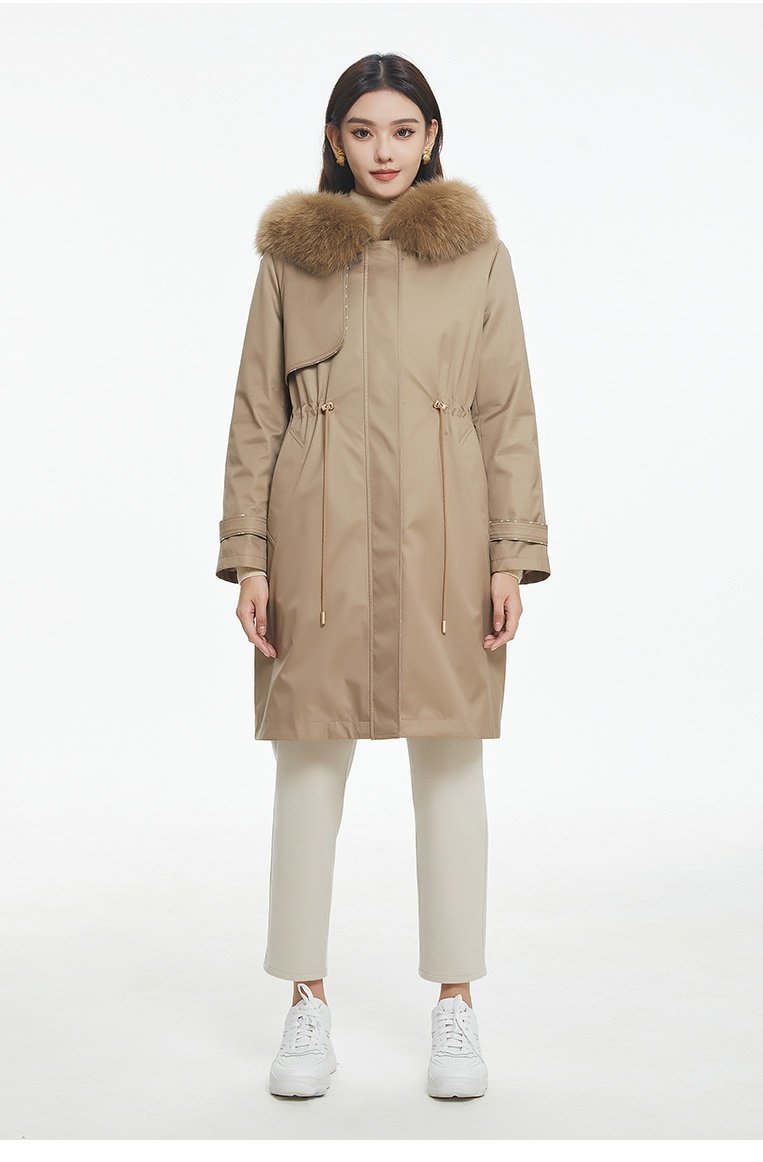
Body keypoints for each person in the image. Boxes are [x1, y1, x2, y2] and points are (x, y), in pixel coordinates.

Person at [215, 53, 551, 1100]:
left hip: (445, 539)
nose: (384, 151)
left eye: (403, 130)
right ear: (335, 140)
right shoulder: (291, 259)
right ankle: (305, 1001)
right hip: (316, 543)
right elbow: (256, 414)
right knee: (309, 765)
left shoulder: (479, 256)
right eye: (363, 131)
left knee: (451, 765)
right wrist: (249, 556)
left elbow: (505, 412)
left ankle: (456, 1004)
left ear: (431, 136)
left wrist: (509, 554)